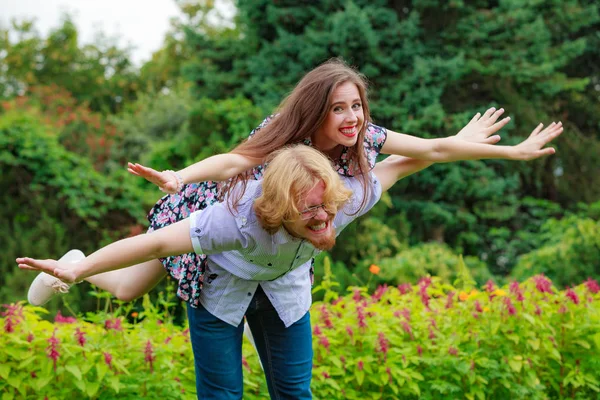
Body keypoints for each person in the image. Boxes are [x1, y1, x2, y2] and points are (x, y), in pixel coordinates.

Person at [16, 138, 562, 399]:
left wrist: (484, 145)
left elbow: (407, 160)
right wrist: (80, 272)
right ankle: (72, 266)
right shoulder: (231, 221)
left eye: (329, 209)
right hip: (211, 263)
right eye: (311, 214)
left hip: (280, 286)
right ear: (281, 212)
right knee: (132, 290)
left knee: (294, 392)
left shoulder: (342, 199)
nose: (326, 220)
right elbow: (154, 242)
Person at [27, 59, 561, 307]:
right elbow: (231, 162)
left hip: (259, 242)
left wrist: (506, 150)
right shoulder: (282, 139)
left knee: (136, 287)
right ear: (316, 113)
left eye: (357, 106)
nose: (352, 118)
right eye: (339, 109)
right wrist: (179, 175)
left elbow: (433, 150)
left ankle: (75, 267)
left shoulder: (365, 139)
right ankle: (73, 266)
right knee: (125, 288)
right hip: (206, 210)